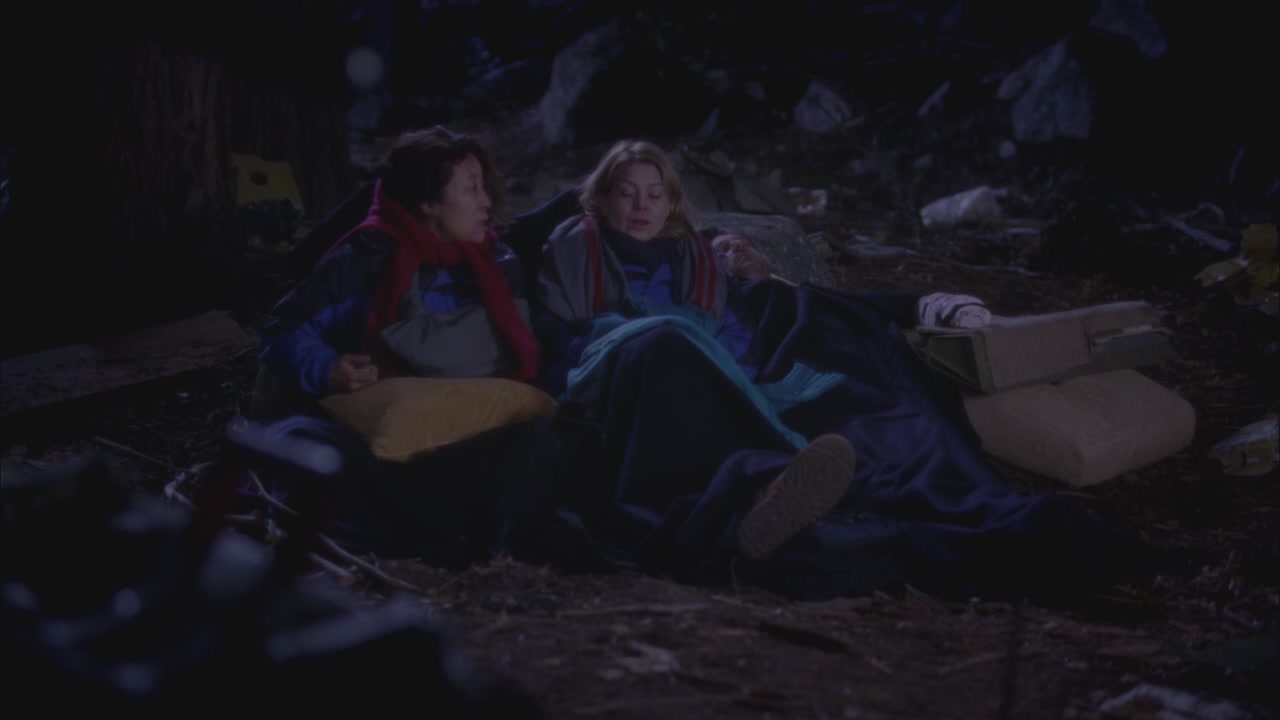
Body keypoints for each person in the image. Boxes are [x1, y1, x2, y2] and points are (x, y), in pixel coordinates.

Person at [531, 139, 1157, 603]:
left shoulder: (699, 258)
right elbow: (566, 337)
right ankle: (766, 493)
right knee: (666, 348)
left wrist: (909, 304)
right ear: (603, 197)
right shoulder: (576, 246)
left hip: (739, 372)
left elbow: (776, 310)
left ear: (671, 202)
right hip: (647, 362)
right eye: (627, 193)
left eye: (654, 193)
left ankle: (798, 494)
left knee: (846, 362)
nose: (640, 206)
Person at [250, 126, 566, 568]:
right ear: (429, 203)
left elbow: (537, 346)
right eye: (471, 189)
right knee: (299, 439)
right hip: (387, 453)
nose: (487, 203)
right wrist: (328, 366)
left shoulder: (499, 264)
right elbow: (282, 331)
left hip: (475, 440)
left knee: (546, 437)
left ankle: (494, 544)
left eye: (484, 187)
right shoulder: (365, 261)